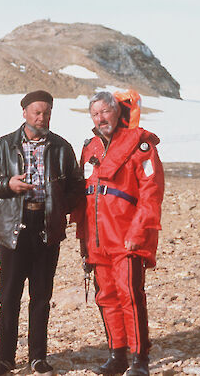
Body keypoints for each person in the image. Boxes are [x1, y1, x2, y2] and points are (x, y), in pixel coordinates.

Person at [0, 90, 84, 376]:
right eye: (37, 111)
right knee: (9, 296)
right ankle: (5, 359)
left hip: (47, 228)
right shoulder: (3, 145)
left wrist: (61, 206)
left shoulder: (61, 147)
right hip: (13, 228)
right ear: (24, 112)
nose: (42, 117)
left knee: (41, 297)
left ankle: (38, 358)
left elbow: (76, 185)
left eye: (47, 112)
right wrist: (7, 185)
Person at [73, 91, 165, 376]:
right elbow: (82, 195)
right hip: (97, 237)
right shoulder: (90, 148)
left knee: (130, 295)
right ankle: (117, 354)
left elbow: (152, 193)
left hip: (126, 236)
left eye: (105, 112)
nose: (101, 118)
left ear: (117, 112)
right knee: (107, 296)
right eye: (95, 114)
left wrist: (138, 231)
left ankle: (140, 358)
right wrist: (83, 239)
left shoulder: (141, 145)